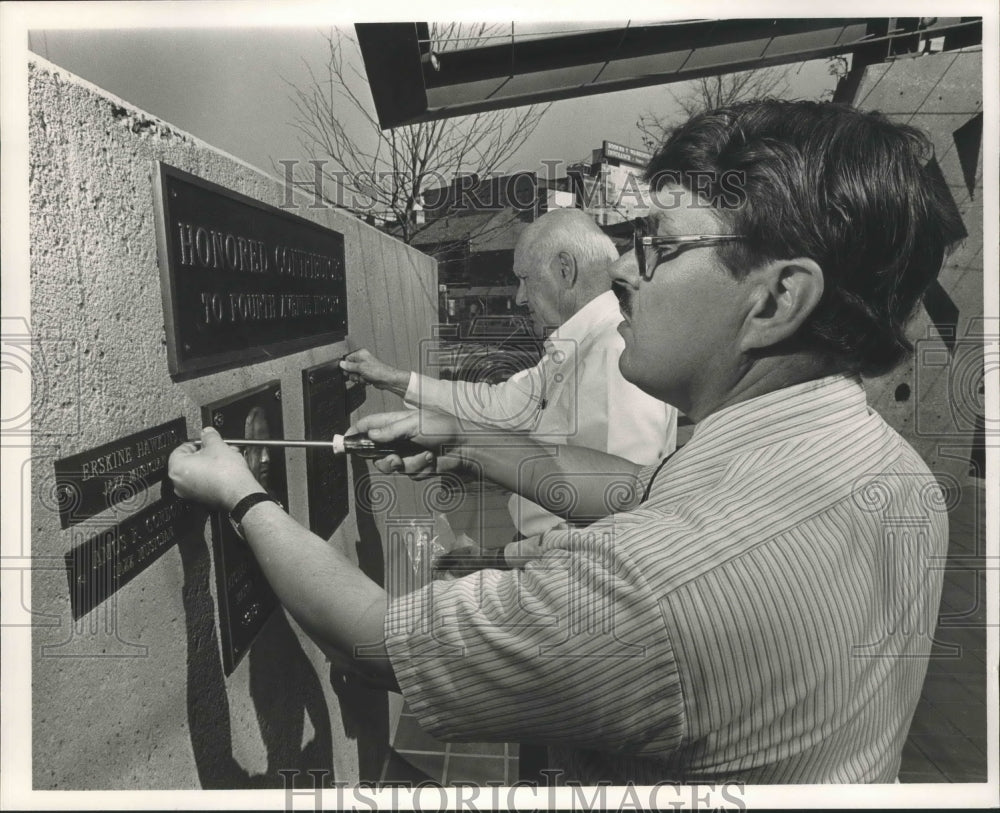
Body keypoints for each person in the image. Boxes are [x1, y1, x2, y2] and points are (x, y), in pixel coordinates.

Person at [169, 99, 962, 783]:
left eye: (661, 244)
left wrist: (245, 495)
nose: (624, 269)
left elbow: (375, 641)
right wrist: (465, 445)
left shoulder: (655, 586)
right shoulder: (890, 468)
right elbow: (635, 488)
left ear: (778, 298)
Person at [340, 207, 677, 559]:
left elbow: (613, 519)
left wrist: (500, 559)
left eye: (525, 278)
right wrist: (393, 379)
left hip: (567, 574)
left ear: (565, 269)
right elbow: (496, 405)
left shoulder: (613, 350)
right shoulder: (583, 345)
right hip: (548, 556)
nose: (519, 297)